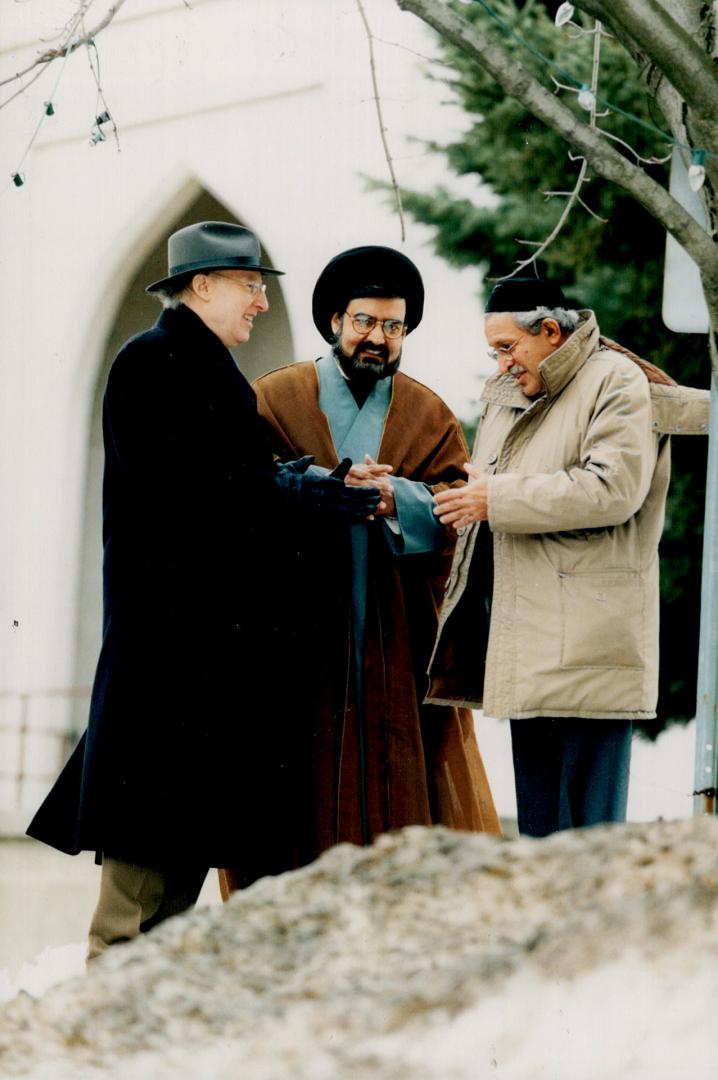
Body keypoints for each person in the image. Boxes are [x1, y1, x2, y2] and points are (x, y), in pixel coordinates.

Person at [26, 222, 379, 958]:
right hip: (171, 656)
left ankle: (146, 1041)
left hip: (196, 659)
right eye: (250, 286)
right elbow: (200, 496)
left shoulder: (195, 365)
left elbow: (231, 487)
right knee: (139, 883)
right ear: (203, 286)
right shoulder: (156, 362)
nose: (259, 302)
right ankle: (104, 1044)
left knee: (173, 868)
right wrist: (313, 495)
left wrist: (316, 487)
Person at [219, 245, 500, 895]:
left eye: (393, 327)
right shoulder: (274, 399)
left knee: (399, 777)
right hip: (294, 638)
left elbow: (458, 511)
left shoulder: (426, 414)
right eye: (365, 323)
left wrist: (395, 498)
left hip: (396, 638)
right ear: (334, 322)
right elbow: (243, 492)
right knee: (296, 784)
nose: (379, 339)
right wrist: (327, 487)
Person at [429, 276, 710, 838]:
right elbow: (489, 488)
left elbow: (612, 488)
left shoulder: (615, 381)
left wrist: (496, 496)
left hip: (590, 651)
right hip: (528, 651)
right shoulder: (508, 394)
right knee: (542, 846)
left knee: (591, 847)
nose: (501, 362)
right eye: (494, 351)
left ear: (551, 332)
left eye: (507, 347)